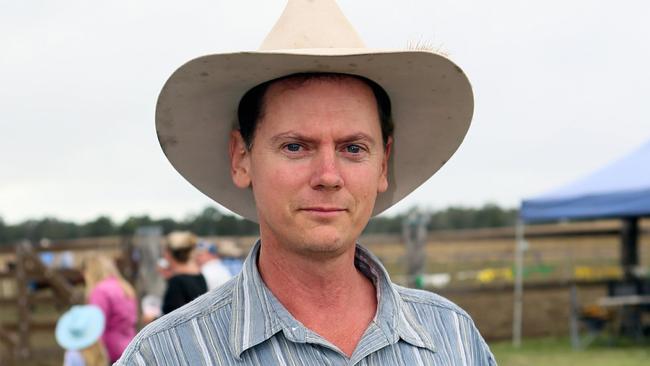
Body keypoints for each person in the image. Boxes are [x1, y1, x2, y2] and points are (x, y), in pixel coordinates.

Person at [118, 1, 495, 365]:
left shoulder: (454, 339)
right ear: (241, 157)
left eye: (353, 148)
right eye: (295, 146)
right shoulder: (164, 357)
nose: (328, 176)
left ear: (384, 163)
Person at [83, 255, 137, 364]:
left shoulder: (100, 291)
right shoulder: (125, 287)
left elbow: (96, 326)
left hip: (110, 352)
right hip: (130, 347)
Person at [161, 231, 207, 314]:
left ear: (169, 254)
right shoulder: (199, 276)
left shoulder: (177, 282)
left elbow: (173, 317)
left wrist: (152, 319)